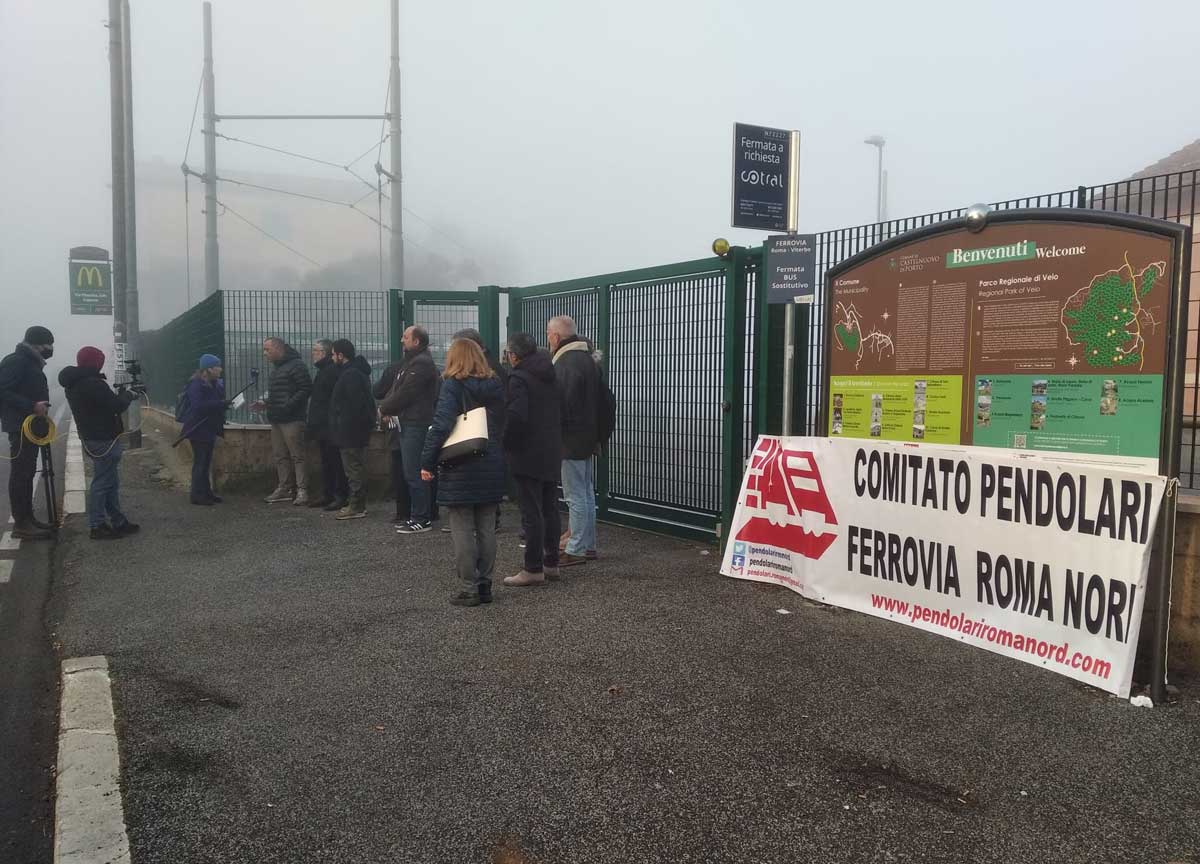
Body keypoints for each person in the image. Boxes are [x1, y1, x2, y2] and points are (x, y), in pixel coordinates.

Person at [421, 339, 506, 607]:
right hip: (490, 460)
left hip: (460, 463)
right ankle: (486, 585)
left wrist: (427, 461)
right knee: (486, 528)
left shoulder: (453, 385)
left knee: (462, 529)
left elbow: (441, 424)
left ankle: (469, 588)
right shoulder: (495, 384)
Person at [500, 333, 562, 587]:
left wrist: (506, 442)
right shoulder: (550, 373)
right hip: (551, 448)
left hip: (527, 451)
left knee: (531, 512)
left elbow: (516, 415)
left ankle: (533, 568)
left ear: (514, 355)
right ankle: (551, 563)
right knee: (550, 508)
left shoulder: (518, 378)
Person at [59, 347, 139, 539]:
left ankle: (118, 521)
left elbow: (102, 405)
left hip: (92, 437)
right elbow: (116, 406)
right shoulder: (93, 384)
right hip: (103, 439)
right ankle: (97, 526)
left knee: (110, 481)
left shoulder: (75, 383)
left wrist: (121, 395)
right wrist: (130, 394)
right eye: (99, 361)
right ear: (94, 363)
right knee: (103, 483)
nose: (101, 364)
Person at [547, 315, 601, 566]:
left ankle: (576, 548)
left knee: (575, 495)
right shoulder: (587, 360)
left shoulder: (565, 362)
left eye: (548, 333)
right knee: (586, 493)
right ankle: (587, 545)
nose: (548, 338)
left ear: (556, 336)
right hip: (587, 436)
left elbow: (562, 403)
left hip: (569, 439)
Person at [381, 325, 440, 534]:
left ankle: (421, 518)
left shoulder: (421, 364)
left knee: (415, 472)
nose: (401, 340)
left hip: (416, 424)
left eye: (406, 337)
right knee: (412, 472)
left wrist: (385, 408)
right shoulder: (412, 362)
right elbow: (398, 390)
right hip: (409, 422)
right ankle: (418, 515)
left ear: (416, 341)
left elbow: (407, 392)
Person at [0, 326, 55, 540]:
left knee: (27, 473)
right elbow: (3, 390)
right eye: (48, 344)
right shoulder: (16, 361)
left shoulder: (29, 362)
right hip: (21, 426)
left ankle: (28, 518)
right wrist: (32, 406)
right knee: (21, 474)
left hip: (31, 426)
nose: (50, 349)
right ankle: (21, 524)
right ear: (37, 344)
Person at [250, 337, 312, 506]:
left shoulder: (297, 365)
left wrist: (288, 406)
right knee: (280, 455)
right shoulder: (278, 368)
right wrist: (266, 403)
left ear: (278, 349)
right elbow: (280, 393)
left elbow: (306, 388)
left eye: (267, 349)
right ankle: (285, 488)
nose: (264, 353)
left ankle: (302, 490)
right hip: (277, 418)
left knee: (297, 455)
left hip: (292, 419)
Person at [327, 339, 374, 521]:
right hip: (355, 429)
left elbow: (354, 404)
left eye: (333, 354)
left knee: (353, 469)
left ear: (341, 355)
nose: (332, 358)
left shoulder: (350, 374)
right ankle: (357, 504)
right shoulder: (356, 372)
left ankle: (356, 506)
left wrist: (342, 423)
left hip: (350, 431)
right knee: (356, 468)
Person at [306, 339, 349, 511]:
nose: (313, 354)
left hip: (330, 425)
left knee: (335, 462)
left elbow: (333, 400)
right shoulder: (324, 370)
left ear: (324, 353)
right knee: (327, 461)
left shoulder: (330, 371)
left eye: (315, 350)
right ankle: (328, 494)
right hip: (323, 425)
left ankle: (339, 495)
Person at [180, 354, 228, 505]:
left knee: (206, 463)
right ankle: (197, 495)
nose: (220, 369)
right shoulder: (196, 384)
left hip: (208, 428)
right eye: (217, 366)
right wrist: (220, 404)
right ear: (209, 369)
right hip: (197, 429)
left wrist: (223, 404)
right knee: (200, 463)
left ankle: (207, 492)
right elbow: (198, 406)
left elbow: (213, 402)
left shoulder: (213, 384)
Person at [373, 354, 410, 525]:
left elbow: (378, 391)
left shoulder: (395, 369)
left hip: (397, 425)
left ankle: (403, 512)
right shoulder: (428, 367)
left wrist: (385, 409)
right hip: (419, 425)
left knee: (399, 469)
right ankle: (429, 511)